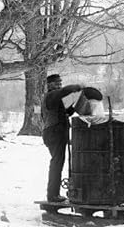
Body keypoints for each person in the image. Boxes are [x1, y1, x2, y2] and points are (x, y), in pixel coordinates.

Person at [40, 72, 101, 204]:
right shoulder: (51, 96)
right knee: (57, 162)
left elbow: (70, 110)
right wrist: (77, 87)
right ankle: (52, 195)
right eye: (56, 83)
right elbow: (64, 92)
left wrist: (83, 98)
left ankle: (54, 193)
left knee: (58, 162)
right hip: (53, 133)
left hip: (57, 132)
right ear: (49, 85)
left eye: (60, 83)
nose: (59, 85)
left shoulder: (58, 99)